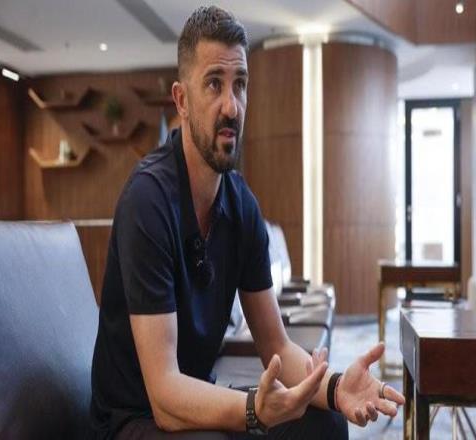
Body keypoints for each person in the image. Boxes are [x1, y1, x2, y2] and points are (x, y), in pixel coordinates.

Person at [90, 6, 405, 439]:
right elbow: (163, 395)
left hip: (195, 399)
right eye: (214, 84)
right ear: (181, 100)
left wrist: (334, 389)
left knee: (323, 424)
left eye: (240, 85)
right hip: (133, 418)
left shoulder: (241, 205)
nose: (231, 105)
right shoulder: (148, 200)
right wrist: (254, 411)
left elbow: (277, 345)